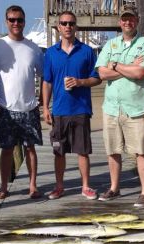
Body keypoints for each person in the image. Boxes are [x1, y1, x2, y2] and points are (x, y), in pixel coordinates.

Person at [95, 4, 144, 208]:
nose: (127, 22)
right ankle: (114, 188)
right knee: (112, 150)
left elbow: (141, 73)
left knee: (141, 151)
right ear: (119, 22)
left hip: (137, 107)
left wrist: (114, 65)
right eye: (124, 18)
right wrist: (127, 68)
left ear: (137, 21)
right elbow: (102, 73)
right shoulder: (111, 44)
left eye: (131, 18)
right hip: (112, 107)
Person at [0, 5, 43, 200]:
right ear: (6, 21)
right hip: (5, 109)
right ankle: (4, 186)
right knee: (6, 149)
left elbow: (43, 76)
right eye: (12, 20)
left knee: (30, 149)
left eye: (20, 20)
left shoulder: (33, 48)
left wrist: (42, 97)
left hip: (29, 108)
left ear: (24, 22)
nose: (16, 23)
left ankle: (33, 186)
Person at [42, 11, 101, 200]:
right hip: (59, 111)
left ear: (76, 26)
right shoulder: (51, 53)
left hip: (81, 110)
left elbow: (96, 78)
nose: (67, 26)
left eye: (71, 23)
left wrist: (80, 82)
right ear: (58, 27)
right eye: (64, 23)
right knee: (59, 152)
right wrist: (45, 107)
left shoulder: (86, 51)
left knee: (82, 151)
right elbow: (47, 82)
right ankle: (59, 187)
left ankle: (85, 186)